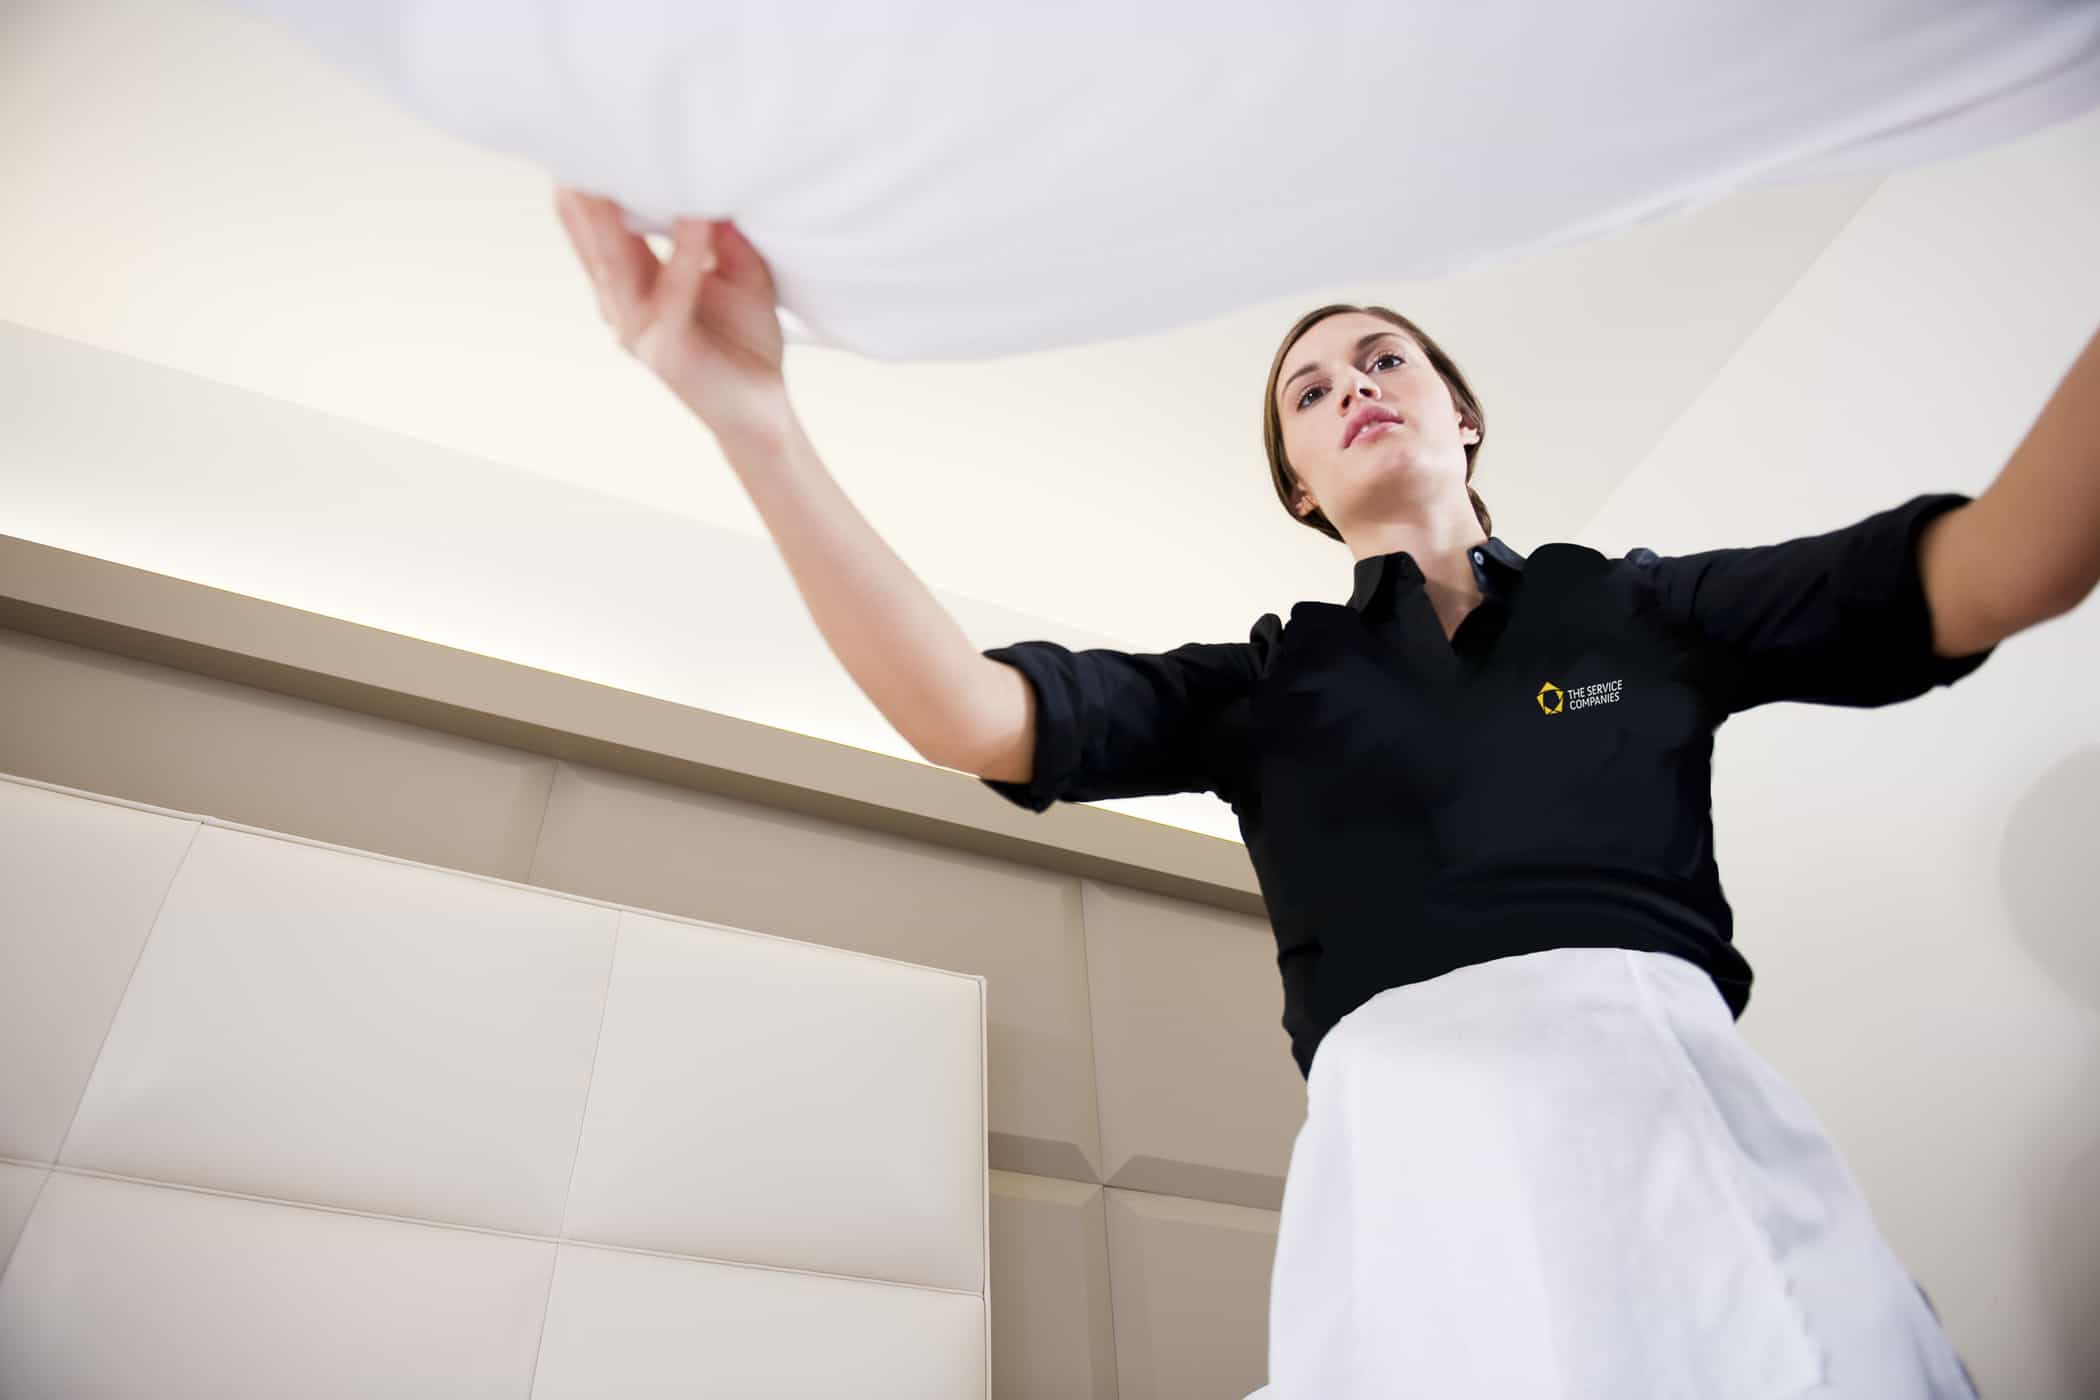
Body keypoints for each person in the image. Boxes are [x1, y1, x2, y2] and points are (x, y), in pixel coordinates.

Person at [551, 189, 2032, 1397]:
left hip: (1673, 1130)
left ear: (1461, 414)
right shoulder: (1263, 688)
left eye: (1385, 359)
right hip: (1408, 1179)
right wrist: (754, 416)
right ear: (1304, 492)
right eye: (1310, 393)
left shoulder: (1635, 614)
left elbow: (1994, 568)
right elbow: (965, 711)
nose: (1354, 389)